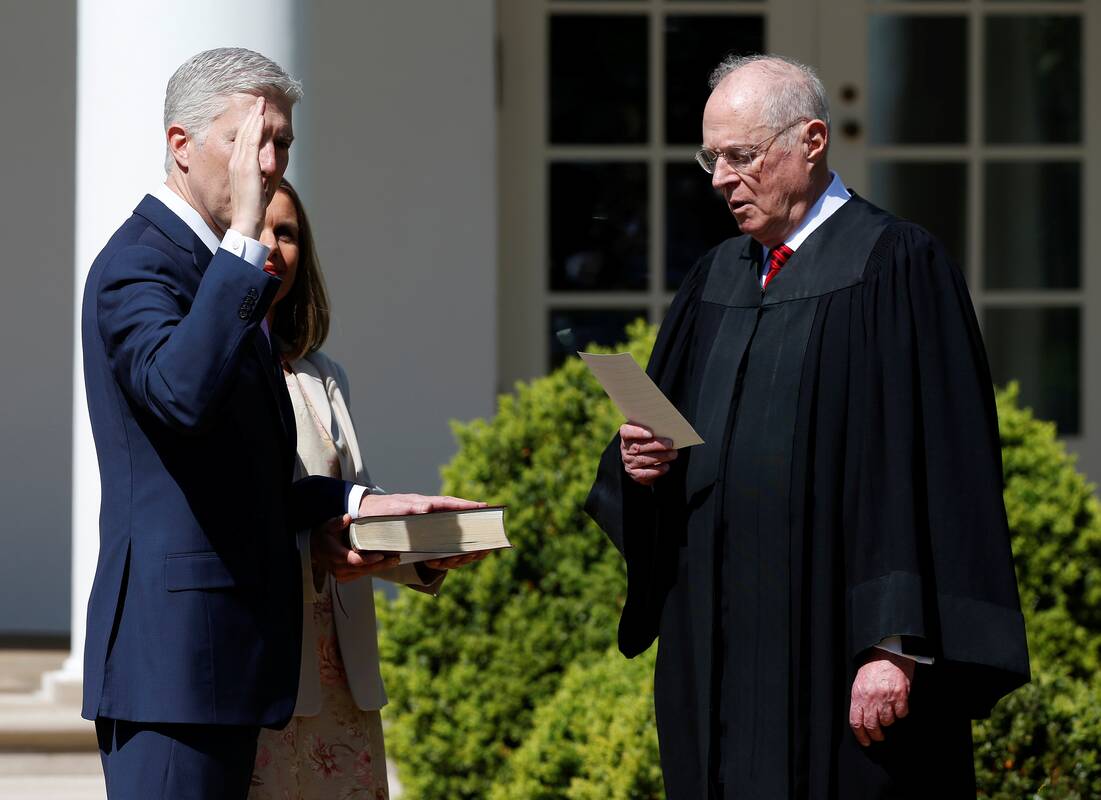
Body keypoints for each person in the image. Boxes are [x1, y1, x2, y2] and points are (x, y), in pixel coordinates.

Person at [585, 54, 1029, 799]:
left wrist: (894, 644)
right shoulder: (715, 278)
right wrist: (642, 464)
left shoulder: (897, 266)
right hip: (716, 647)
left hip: (838, 648)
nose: (721, 179)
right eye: (711, 159)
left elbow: (939, 468)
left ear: (811, 141)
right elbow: (664, 444)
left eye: (740, 156)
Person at [81, 48, 481, 800]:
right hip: (172, 666)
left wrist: (357, 504)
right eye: (248, 143)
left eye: (283, 144)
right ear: (180, 145)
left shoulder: (219, 275)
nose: (267, 166)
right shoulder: (142, 264)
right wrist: (243, 239)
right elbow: (180, 396)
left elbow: (247, 479)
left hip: (231, 662)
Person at [246, 180, 486, 799]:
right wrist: (313, 546)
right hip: (266, 664)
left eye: (288, 232)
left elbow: (355, 501)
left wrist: (423, 550)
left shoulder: (322, 375)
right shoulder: (215, 368)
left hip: (341, 669)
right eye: (258, 226)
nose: (272, 245)